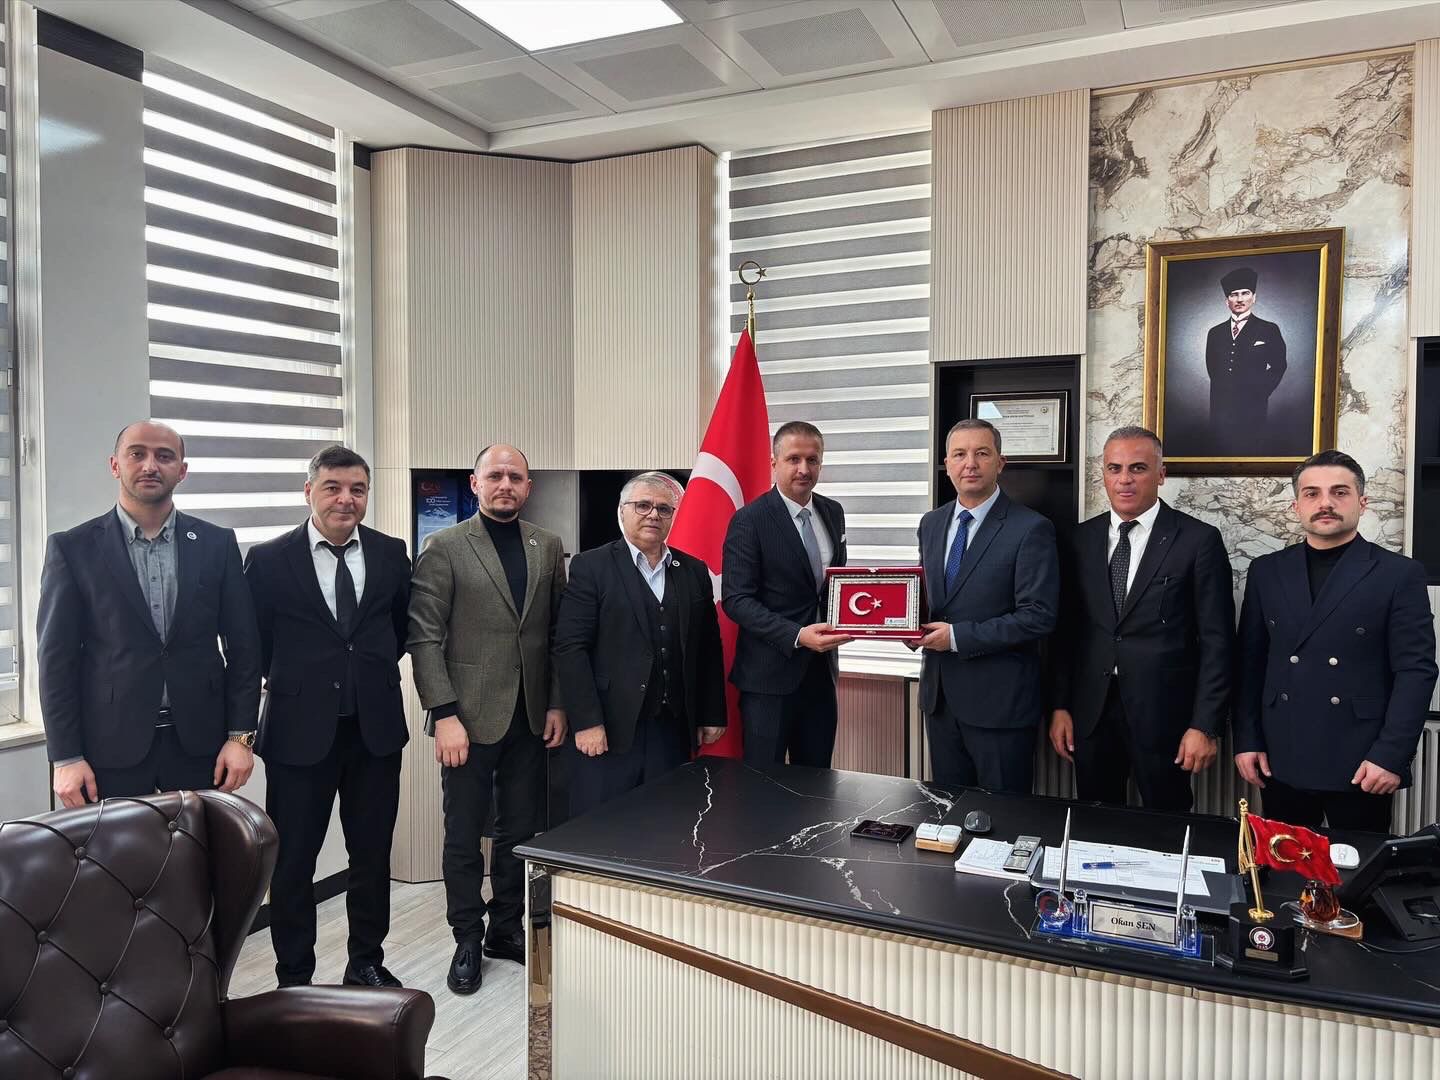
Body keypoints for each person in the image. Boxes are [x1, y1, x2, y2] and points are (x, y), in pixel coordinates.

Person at [243, 445, 411, 990]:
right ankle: (295, 976)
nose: (346, 499)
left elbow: (399, 631)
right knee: (293, 861)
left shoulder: (391, 553)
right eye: (333, 487)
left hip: (375, 731)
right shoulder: (268, 559)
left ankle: (366, 962)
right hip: (298, 734)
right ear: (309, 492)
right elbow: (255, 646)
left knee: (371, 855)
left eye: (357, 489)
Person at [408, 444, 567, 995]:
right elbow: (424, 637)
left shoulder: (547, 545)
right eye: (494, 475)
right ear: (475, 483)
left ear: (528, 488)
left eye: (515, 477)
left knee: (518, 831)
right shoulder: (445, 546)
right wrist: (444, 713)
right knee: (462, 834)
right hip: (467, 719)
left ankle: (505, 928)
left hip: (529, 715)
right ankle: (467, 938)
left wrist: (556, 703)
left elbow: (556, 634)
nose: (505, 484)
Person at [37, 421, 261, 805]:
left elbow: (244, 648)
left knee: (200, 845)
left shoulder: (217, 544)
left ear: (182, 470)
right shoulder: (72, 549)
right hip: (108, 749)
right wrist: (66, 756)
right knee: (115, 847)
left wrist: (240, 738)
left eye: (164, 456)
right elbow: (56, 661)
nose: (150, 465)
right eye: (137, 454)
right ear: (115, 465)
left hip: (201, 746)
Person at [1235, 450, 1437, 832]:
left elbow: (1416, 671)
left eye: (1339, 492)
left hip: (1361, 760)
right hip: (1282, 753)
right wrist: (1246, 739)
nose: (1325, 503)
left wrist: (1391, 755)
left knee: (1357, 866)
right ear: (1296, 505)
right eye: (1312, 493)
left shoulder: (1398, 573)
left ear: (1362, 502)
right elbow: (1250, 663)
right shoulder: (1267, 570)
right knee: (1283, 863)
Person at [1049, 426, 1234, 811]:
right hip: (1091, 713)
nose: (1125, 480)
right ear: (1103, 474)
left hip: (1166, 716)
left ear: (1161, 474)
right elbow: (1066, 633)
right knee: (1095, 823)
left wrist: (1204, 725)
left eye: (1138, 468)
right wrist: (1060, 706)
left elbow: (1217, 642)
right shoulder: (1079, 540)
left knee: (1168, 826)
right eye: (1114, 468)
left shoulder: (1197, 540)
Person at [554, 472, 726, 816]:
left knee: (667, 825)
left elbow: (708, 647)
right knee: (602, 827)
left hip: (672, 729)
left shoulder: (693, 570)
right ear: (622, 511)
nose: (653, 515)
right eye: (643, 506)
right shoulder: (592, 566)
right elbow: (570, 648)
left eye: (664, 509)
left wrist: (711, 712)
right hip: (609, 729)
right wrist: (586, 722)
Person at [915, 419, 1058, 793]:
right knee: (947, 812)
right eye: (959, 454)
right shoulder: (931, 524)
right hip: (940, 701)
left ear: (1000, 463)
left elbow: (1038, 617)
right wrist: (908, 626)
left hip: (1000, 707)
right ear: (947, 464)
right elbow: (930, 600)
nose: (970, 464)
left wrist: (956, 638)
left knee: (1005, 816)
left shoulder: (1031, 528)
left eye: (982, 453)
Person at [722, 420, 850, 768]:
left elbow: (835, 585)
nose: (804, 469)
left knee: (817, 781)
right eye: (794, 459)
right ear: (774, 462)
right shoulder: (749, 520)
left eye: (812, 460)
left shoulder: (833, 512)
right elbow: (736, 599)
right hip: (768, 679)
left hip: (821, 675)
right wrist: (796, 635)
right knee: (764, 785)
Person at [1205, 266, 1287, 437]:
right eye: (1234, 294)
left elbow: (1279, 366)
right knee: (1218, 448)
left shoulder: (1269, 329)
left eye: (1245, 293)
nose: (1240, 299)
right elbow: (1212, 368)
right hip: (1220, 409)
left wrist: (1260, 391)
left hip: (1253, 408)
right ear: (1227, 301)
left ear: (1254, 297)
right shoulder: (1215, 333)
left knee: (1250, 445)